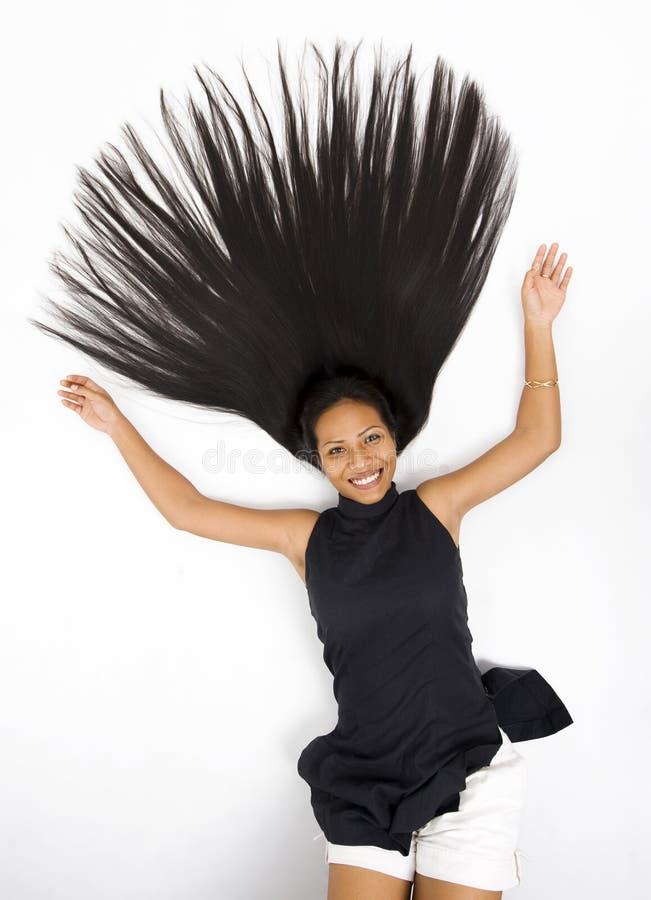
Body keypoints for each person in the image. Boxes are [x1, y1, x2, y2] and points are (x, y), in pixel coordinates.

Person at [32, 39, 574, 900]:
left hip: (468, 767)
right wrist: (116, 425)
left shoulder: (435, 508)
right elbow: (188, 511)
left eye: (369, 441)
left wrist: (537, 325)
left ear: (393, 439)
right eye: (337, 449)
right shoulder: (305, 537)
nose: (359, 460)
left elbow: (535, 440)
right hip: (364, 776)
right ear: (315, 461)